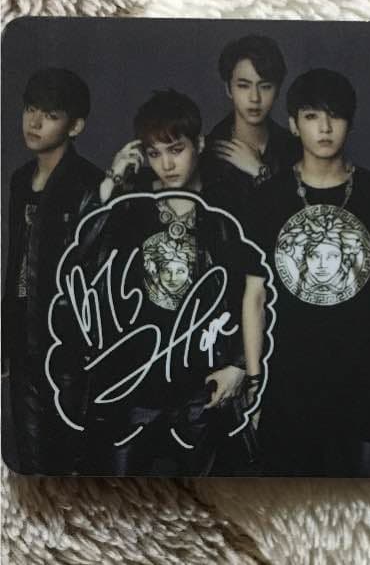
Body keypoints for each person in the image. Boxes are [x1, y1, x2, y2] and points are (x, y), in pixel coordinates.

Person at [71, 90, 265, 475]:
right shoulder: (133, 204)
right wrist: (112, 179)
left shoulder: (227, 205)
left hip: (204, 385)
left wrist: (240, 365)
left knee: (205, 501)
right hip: (138, 382)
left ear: (200, 144)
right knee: (123, 497)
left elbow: (254, 288)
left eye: (176, 149)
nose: (167, 164)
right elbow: (79, 253)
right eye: (155, 153)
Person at [244, 68, 370, 476]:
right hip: (290, 380)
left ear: (350, 123)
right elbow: (255, 296)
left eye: (334, 116)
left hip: (363, 377)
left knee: (366, 499)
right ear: (293, 124)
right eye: (311, 116)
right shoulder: (267, 199)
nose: (324, 128)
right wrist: (255, 380)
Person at [2, 68, 103, 474]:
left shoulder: (90, 185)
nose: (35, 122)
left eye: (50, 115)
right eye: (30, 109)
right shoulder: (20, 180)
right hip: (21, 336)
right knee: (29, 456)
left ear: (75, 126)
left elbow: (95, 274)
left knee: (70, 458)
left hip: (67, 344)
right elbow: (17, 261)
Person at [203, 34, 301, 208]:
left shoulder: (295, 149)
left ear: (277, 91)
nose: (255, 98)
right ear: (228, 89)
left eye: (265, 87)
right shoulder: (206, 151)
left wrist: (259, 171)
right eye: (243, 86)